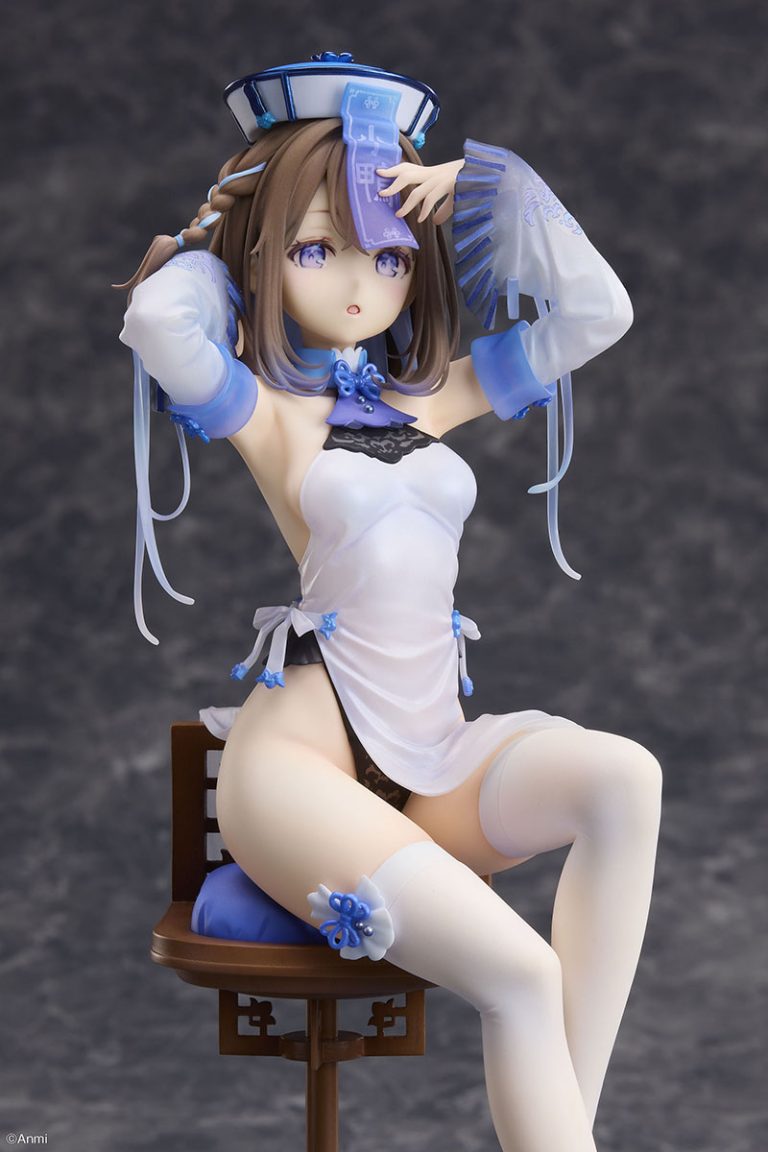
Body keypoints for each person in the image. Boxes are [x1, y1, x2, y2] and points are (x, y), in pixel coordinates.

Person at [117, 53, 662, 1152]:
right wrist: (231, 228)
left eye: (392, 252)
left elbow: (601, 311)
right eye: (318, 248)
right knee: (520, 973)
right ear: (269, 256)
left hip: (433, 753)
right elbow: (157, 324)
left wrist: (491, 189)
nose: (362, 282)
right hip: (300, 771)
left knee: (625, 778)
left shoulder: (432, 399)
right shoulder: (266, 411)